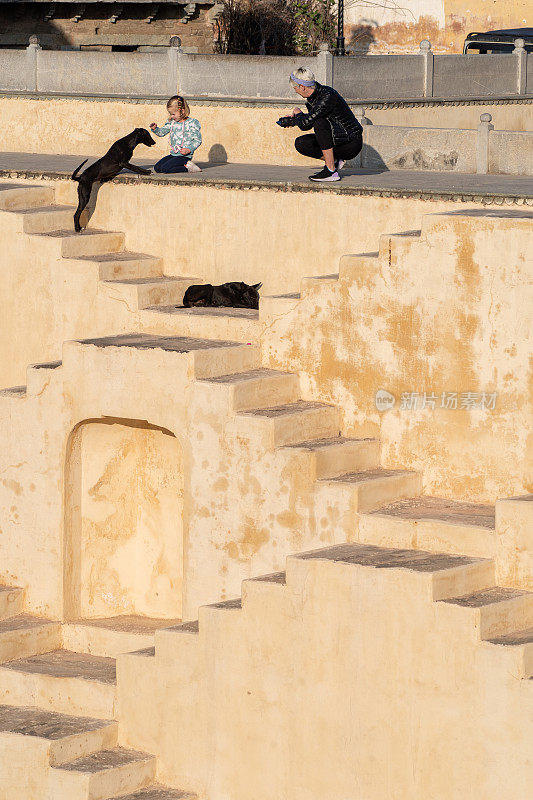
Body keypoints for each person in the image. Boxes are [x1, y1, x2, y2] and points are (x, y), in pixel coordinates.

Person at [277, 68, 363, 182]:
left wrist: (298, 114)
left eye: (295, 88)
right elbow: (307, 125)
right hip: (336, 140)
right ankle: (335, 161)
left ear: (302, 87)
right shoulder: (313, 98)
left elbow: (306, 123)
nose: (296, 91)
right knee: (301, 143)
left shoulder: (327, 95)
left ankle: (330, 170)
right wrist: (293, 121)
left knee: (320, 123)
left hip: (350, 143)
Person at [150, 95, 202, 174]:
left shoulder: (192, 123)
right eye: (170, 114)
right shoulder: (172, 122)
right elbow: (162, 132)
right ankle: (184, 166)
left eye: (173, 114)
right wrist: (155, 129)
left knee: (165, 169)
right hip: (174, 154)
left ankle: (188, 168)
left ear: (182, 111)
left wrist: (188, 149)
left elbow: (197, 140)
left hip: (184, 156)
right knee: (157, 168)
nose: (171, 116)